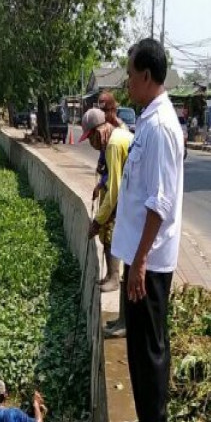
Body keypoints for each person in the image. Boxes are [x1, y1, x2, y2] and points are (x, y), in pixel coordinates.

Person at [112, 39, 184, 422]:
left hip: (151, 261)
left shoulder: (158, 128)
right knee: (141, 342)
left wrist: (139, 261)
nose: (126, 82)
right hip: (143, 257)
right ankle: (148, 421)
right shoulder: (150, 121)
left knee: (150, 343)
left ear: (145, 76)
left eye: (128, 74)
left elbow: (159, 203)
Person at [80, 108, 133, 300]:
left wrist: (97, 221)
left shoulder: (113, 145)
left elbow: (114, 192)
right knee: (107, 228)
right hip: (127, 192)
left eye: (90, 137)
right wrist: (99, 186)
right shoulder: (115, 137)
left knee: (110, 230)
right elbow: (110, 176)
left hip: (131, 195)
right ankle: (110, 275)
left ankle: (113, 277)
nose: (91, 143)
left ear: (98, 131)